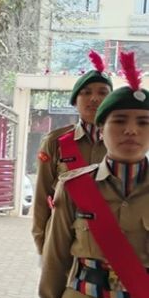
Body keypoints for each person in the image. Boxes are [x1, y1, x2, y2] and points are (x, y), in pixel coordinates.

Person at [37, 51, 149, 298]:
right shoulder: (74, 187)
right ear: (101, 130)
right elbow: (55, 261)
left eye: (143, 123)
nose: (131, 130)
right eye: (119, 121)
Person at [31, 50, 113, 255]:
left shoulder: (125, 144)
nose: (94, 98)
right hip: (63, 244)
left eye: (102, 92)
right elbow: (42, 197)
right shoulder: (55, 143)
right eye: (86, 92)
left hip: (112, 247)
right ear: (75, 101)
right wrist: (42, 245)